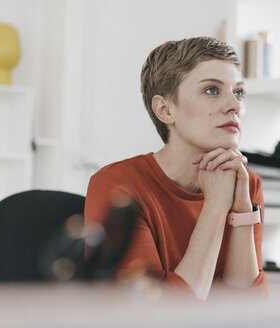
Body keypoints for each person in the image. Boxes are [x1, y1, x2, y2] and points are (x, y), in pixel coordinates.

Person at [84, 36, 267, 300]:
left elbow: (249, 311)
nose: (235, 105)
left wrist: (241, 212)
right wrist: (215, 207)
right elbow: (160, 316)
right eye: (212, 90)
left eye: (238, 92)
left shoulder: (247, 184)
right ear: (165, 109)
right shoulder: (117, 185)